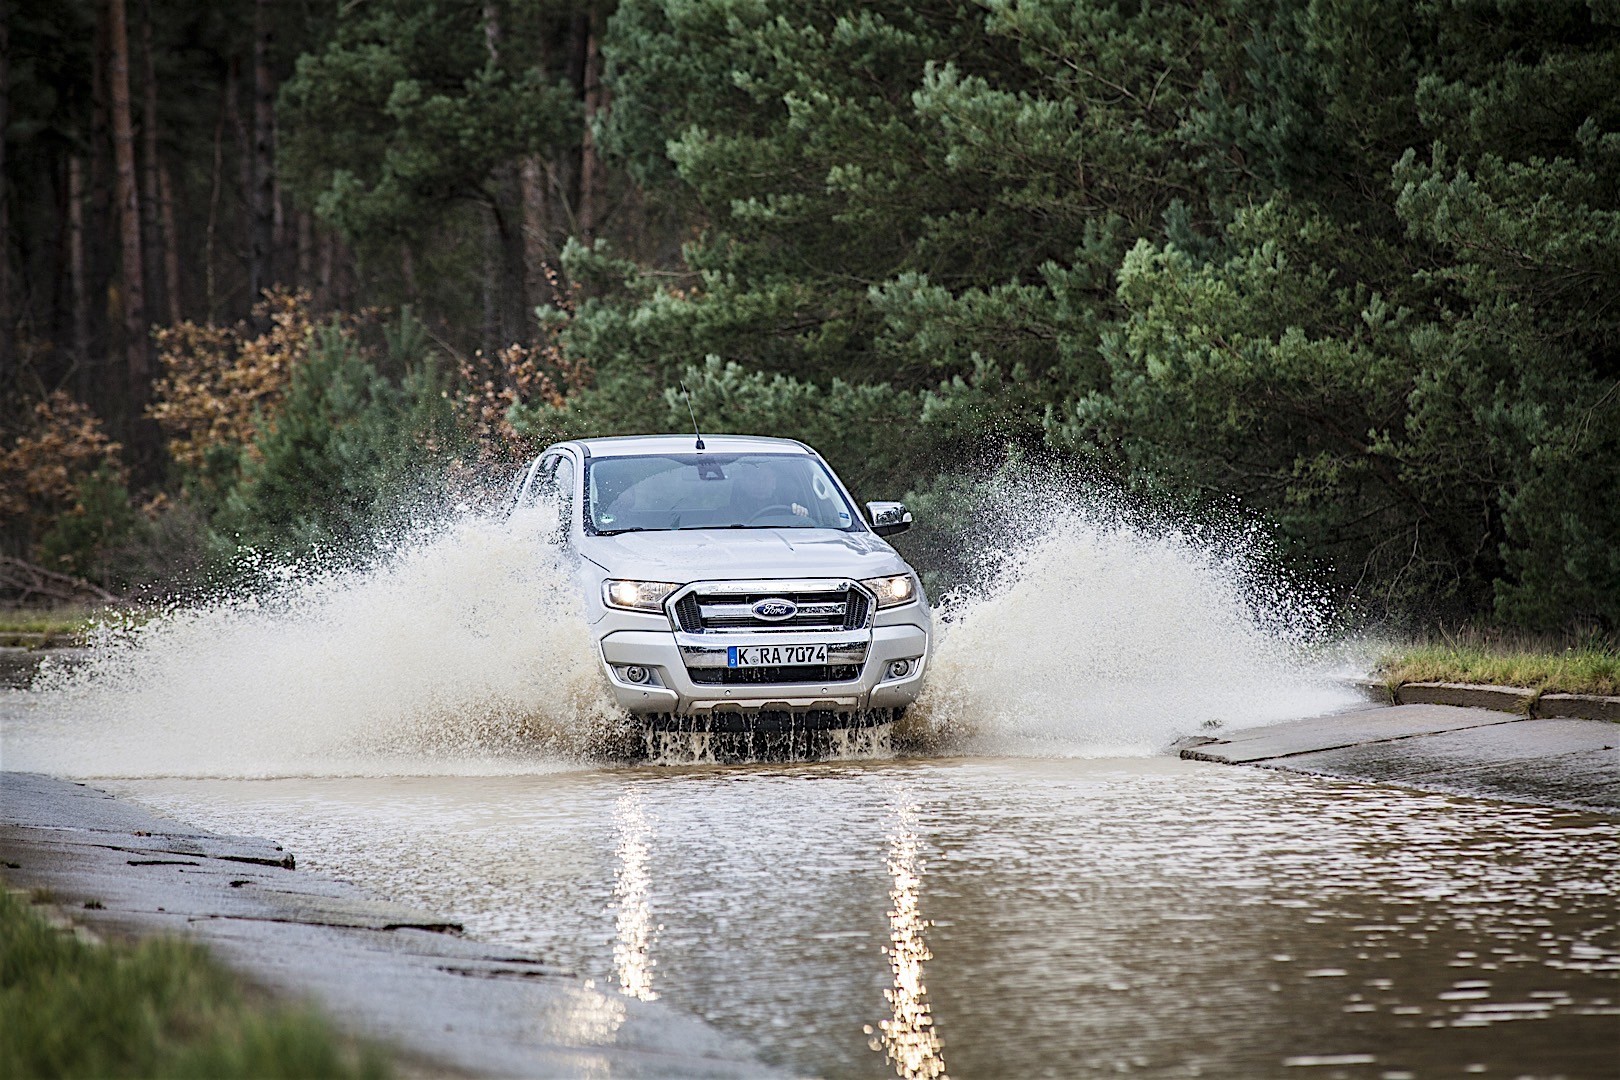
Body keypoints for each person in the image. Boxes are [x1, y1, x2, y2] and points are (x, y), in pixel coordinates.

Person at [731, 461, 809, 521]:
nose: (761, 484)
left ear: (774, 482)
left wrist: (801, 514)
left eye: (765, 478)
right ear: (743, 483)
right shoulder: (728, 515)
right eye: (754, 478)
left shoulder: (790, 509)